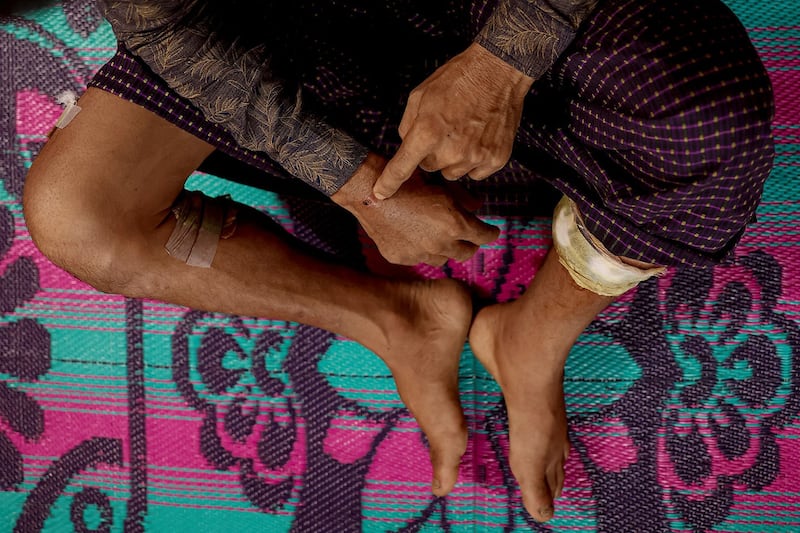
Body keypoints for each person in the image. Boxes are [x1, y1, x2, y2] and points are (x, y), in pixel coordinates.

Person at [20, 0, 774, 523]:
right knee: (80, 217)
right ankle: (397, 319)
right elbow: (174, 26)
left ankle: (529, 339)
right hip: (282, 32)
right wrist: (359, 187)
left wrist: (500, 65)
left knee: (711, 124)